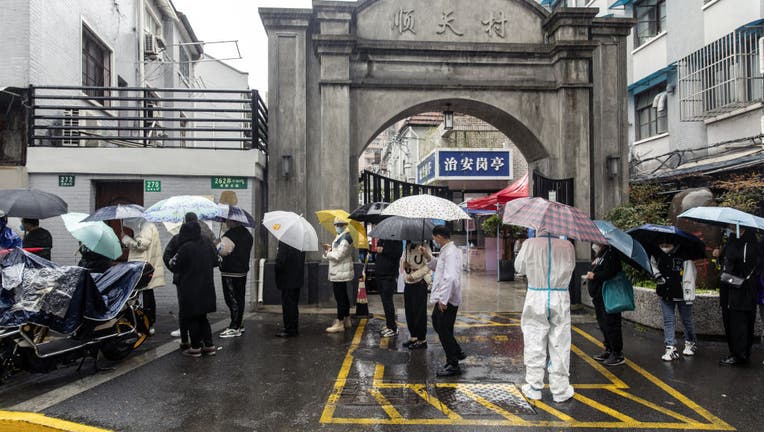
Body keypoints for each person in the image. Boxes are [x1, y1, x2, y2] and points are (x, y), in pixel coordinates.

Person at [514, 230, 575, 403]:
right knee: (560, 342)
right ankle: (561, 389)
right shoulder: (568, 246)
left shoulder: (529, 243)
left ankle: (534, 387)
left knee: (534, 340)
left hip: (536, 295)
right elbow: (571, 268)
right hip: (560, 296)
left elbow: (519, 268)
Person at [167, 221, 218, 358]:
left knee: (192, 318)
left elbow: (174, 266)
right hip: (206, 286)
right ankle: (209, 346)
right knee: (203, 318)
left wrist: (172, 261)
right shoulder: (207, 242)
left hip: (190, 288)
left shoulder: (185, 248)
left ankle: (195, 347)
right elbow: (216, 261)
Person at [421, 225, 464, 377]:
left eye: (434, 237)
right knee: (439, 324)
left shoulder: (451, 252)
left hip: (448, 298)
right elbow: (438, 266)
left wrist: (444, 300)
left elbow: (450, 277)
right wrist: (427, 256)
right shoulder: (447, 250)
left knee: (444, 329)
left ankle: (453, 364)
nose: (433, 239)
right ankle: (456, 352)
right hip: (445, 296)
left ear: (439, 237)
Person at [714, 225, 760, 366]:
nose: (730, 229)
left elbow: (745, 262)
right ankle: (737, 353)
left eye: (734, 227)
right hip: (729, 289)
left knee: (741, 323)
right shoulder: (731, 241)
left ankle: (740, 355)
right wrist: (719, 255)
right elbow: (726, 263)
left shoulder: (750, 244)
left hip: (743, 290)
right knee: (731, 321)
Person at [164, 213, 209, 348]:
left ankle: (186, 340)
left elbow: (167, 256)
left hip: (183, 280)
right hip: (202, 280)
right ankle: (201, 340)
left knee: (185, 311)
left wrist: (175, 269)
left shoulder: (177, 239)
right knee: (201, 313)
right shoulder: (204, 240)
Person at [651, 239, 698, 361]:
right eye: (662, 243)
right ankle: (670, 347)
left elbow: (691, 274)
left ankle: (690, 342)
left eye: (667, 244)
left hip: (682, 294)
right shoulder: (657, 254)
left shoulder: (685, 255)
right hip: (665, 293)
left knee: (686, 320)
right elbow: (652, 266)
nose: (664, 246)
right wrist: (657, 277)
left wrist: (689, 294)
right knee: (668, 321)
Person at [121, 218, 166, 333]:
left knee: (142, 295)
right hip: (144, 266)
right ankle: (144, 321)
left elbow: (141, 245)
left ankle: (147, 323)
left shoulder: (147, 227)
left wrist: (125, 239)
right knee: (145, 294)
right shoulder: (146, 227)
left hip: (143, 267)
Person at [586, 244, 625, 366]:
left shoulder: (611, 254)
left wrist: (595, 275)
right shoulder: (601, 254)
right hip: (598, 296)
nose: (595, 244)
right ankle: (608, 349)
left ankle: (617, 353)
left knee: (611, 323)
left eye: (598, 241)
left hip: (608, 295)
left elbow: (610, 272)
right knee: (603, 323)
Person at [217, 220, 253, 338]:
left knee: (232, 299)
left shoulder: (230, 235)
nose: (226, 223)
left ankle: (234, 326)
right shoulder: (247, 234)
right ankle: (239, 323)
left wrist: (217, 243)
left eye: (228, 221)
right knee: (240, 298)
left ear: (233, 222)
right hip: (242, 271)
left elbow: (224, 251)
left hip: (230, 271)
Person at [323, 218, 355, 333]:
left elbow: (338, 256)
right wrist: (331, 249)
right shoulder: (342, 236)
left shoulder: (345, 238)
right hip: (340, 271)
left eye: (338, 224)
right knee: (343, 296)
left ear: (343, 225)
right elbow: (338, 252)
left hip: (340, 272)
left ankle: (339, 322)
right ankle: (346, 319)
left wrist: (328, 253)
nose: (336, 226)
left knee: (340, 297)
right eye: (335, 224)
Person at [402, 241, 431, 350]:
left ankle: (422, 339)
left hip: (420, 283)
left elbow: (429, 265)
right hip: (408, 282)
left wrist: (414, 276)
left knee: (419, 312)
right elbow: (404, 261)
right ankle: (413, 336)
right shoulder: (408, 247)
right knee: (409, 311)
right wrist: (404, 266)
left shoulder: (425, 247)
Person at [275, 240, 305, 337]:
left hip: (287, 278)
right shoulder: (301, 241)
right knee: (293, 304)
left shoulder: (285, 241)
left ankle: (289, 329)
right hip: (297, 277)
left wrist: (277, 267)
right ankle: (293, 327)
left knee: (288, 305)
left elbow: (280, 260)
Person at [376, 238, 403, 338]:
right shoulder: (382, 239)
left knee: (388, 302)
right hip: (380, 274)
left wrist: (383, 250)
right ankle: (388, 325)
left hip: (389, 276)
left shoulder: (396, 240)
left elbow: (397, 253)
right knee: (384, 301)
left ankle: (392, 327)